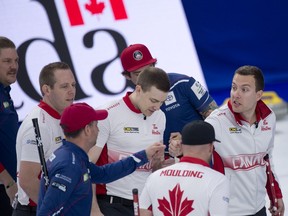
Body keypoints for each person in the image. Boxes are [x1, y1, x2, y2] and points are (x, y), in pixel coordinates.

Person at [170, 65, 285, 216]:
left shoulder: (269, 118)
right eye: (234, 87)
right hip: (227, 211)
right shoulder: (217, 121)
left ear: (258, 95)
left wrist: (276, 195)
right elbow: (193, 156)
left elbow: (266, 160)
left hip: (258, 209)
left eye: (244, 90)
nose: (236, 94)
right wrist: (178, 151)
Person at [37, 102, 165, 215]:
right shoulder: (69, 165)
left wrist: (143, 155)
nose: (98, 130)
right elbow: (46, 212)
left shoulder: (74, 156)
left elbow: (104, 174)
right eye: (96, 125)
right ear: (87, 129)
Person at [120, 44, 224, 173]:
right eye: (138, 74)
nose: (146, 78)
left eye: (148, 70)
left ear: (154, 65)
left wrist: (186, 139)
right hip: (164, 172)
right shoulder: (129, 105)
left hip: (202, 163)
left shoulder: (183, 84)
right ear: (127, 76)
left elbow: (219, 119)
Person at [88, 66, 170, 215]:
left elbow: (154, 169)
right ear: (138, 89)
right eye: (153, 100)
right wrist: (94, 210)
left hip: (144, 205)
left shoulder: (160, 117)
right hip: (112, 203)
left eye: (161, 102)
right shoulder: (108, 113)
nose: (157, 107)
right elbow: (87, 165)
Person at [13, 62, 76, 216]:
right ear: (46, 89)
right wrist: (57, 210)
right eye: (64, 86)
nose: (71, 91)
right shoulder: (38, 125)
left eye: (73, 85)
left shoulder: (61, 118)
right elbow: (28, 180)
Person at [140, 120, 230, 216]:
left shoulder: (155, 177)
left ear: (181, 145)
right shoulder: (218, 181)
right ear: (210, 147)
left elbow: (143, 212)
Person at [0, 36, 19, 215]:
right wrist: (8, 181)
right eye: (7, 61)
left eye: (15, 61)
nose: (13, 66)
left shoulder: (5, 93)